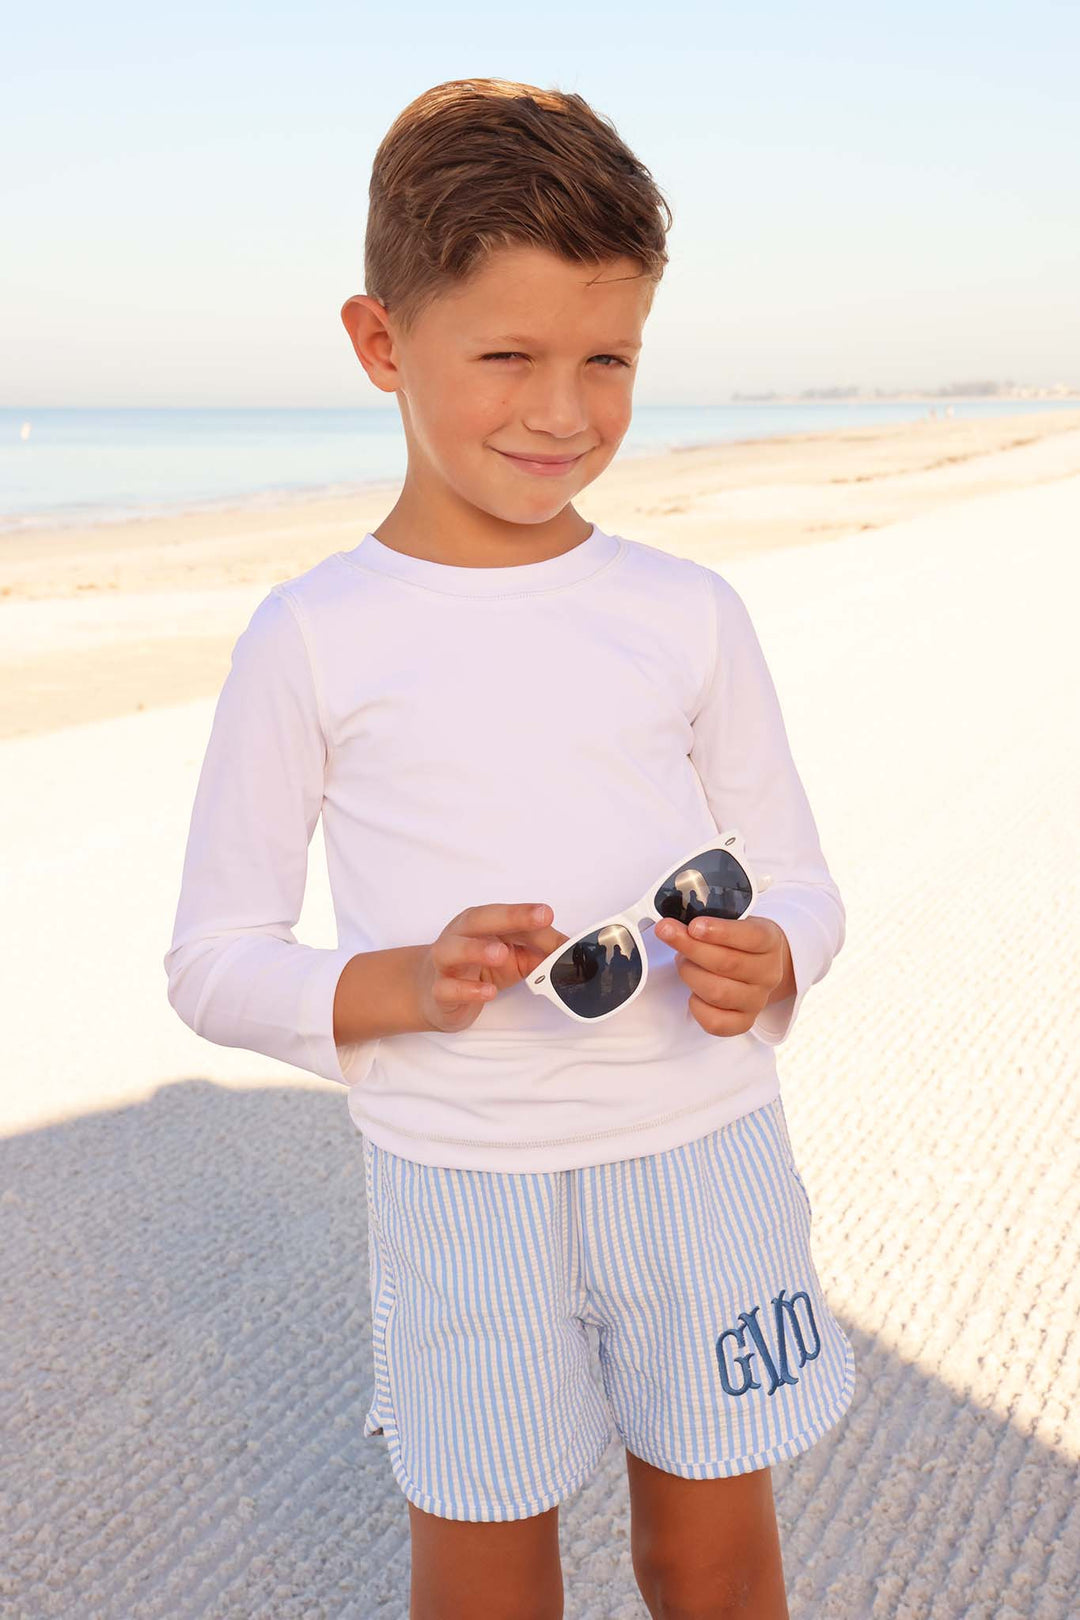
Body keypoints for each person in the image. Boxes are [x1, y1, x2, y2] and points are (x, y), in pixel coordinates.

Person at [164, 77, 855, 1620]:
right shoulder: (313, 640)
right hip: (458, 1182)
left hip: (701, 1154)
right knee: (480, 1570)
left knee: (714, 1557)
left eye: (608, 358)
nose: (565, 410)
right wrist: (402, 981)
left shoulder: (687, 611)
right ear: (380, 342)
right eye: (510, 357)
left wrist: (778, 953)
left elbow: (802, 875)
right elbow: (213, 963)